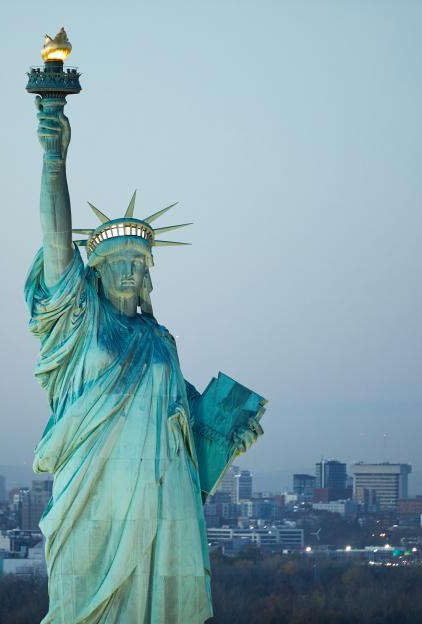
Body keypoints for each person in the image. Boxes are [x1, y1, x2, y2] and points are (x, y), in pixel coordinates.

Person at [26, 96, 261, 624]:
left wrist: (226, 433)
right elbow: (56, 241)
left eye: (139, 260)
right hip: (95, 493)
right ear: (96, 270)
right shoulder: (81, 321)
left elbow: (184, 421)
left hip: (164, 493)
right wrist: (54, 159)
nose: (129, 269)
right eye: (117, 261)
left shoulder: (161, 342)